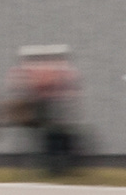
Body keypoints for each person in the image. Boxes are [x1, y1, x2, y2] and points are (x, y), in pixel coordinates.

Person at [7, 45, 81, 176]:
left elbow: (27, 87)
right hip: (51, 107)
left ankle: (51, 166)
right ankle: (54, 166)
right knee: (51, 138)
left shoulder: (38, 69)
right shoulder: (63, 69)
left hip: (46, 107)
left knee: (47, 138)